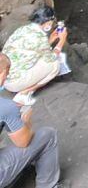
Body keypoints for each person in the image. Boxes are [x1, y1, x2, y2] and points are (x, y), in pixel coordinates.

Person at [0, 54, 59, 188]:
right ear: (2, 73)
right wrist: (25, 120)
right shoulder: (5, 106)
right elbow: (23, 142)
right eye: (7, 74)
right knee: (48, 135)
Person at [1, 8, 66, 107]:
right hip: (15, 83)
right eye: (51, 22)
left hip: (6, 78)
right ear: (47, 23)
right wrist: (62, 41)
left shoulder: (22, 29)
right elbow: (51, 57)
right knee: (55, 65)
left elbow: (34, 50)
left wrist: (50, 40)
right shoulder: (40, 38)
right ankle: (24, 94)